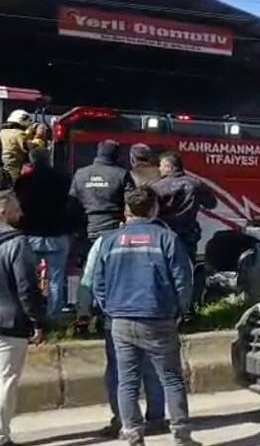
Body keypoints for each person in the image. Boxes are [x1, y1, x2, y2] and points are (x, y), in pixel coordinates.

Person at [93, 187, 197, 446]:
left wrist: (111, 310)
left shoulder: (110, 241)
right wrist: (180, 311)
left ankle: (133, 436)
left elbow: (99, 283)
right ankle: (182, 436)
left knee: (127, 380)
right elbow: (183, 281)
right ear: (154, 209)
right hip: (158, 317)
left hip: (121, 321)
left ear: (126, 210)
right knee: (171, 378)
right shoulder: (167, 239)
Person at [77, 235, 167, 439]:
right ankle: (157, 419)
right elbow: (179, 274)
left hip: (117, 317)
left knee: (120, 374)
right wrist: (177, 309)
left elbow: (91, 278)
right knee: (154, 369)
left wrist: (86, 310)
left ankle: (125, 421)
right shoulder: (162, 237)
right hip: (154, 314)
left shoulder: (106, 241)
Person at [0, 190, 45, 446]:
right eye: (17, 209)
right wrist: (36, 321)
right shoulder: (18, 243)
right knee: (5, 380)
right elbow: (26, 288)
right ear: (3, 212)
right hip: (9, 322)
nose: (22, 214)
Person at [14, 149, 81, 319]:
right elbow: (72, 205)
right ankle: (54, 316)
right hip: (57, 233)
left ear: (31, 160)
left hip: (31, 234)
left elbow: (17, 208)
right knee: (56, 279)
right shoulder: (63, 179)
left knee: (28, 278)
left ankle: (31, 315)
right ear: (49, 158)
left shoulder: (23, 182)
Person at [152, 152, 216, 263]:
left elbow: (149, 212)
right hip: (188, 235)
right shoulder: (196, 184)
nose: (159, 168)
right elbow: (211, 204)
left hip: (165, 234)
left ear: (169, 167)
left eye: (161, 165)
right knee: (188, 266)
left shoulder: (157, 187)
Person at [70, 140, 135, 242]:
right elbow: (132, 202)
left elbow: (72, 203)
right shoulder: (121, 174)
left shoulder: (80, 174)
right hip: (113, 230)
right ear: (117, 155)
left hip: (86, 230)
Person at [0, 112, 30, 183]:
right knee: (15, 185)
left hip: (4, 163)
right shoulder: (20, 133)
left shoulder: (2, 131)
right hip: (15, 164)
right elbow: (27, 148)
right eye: (28, 120)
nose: (29, 123)